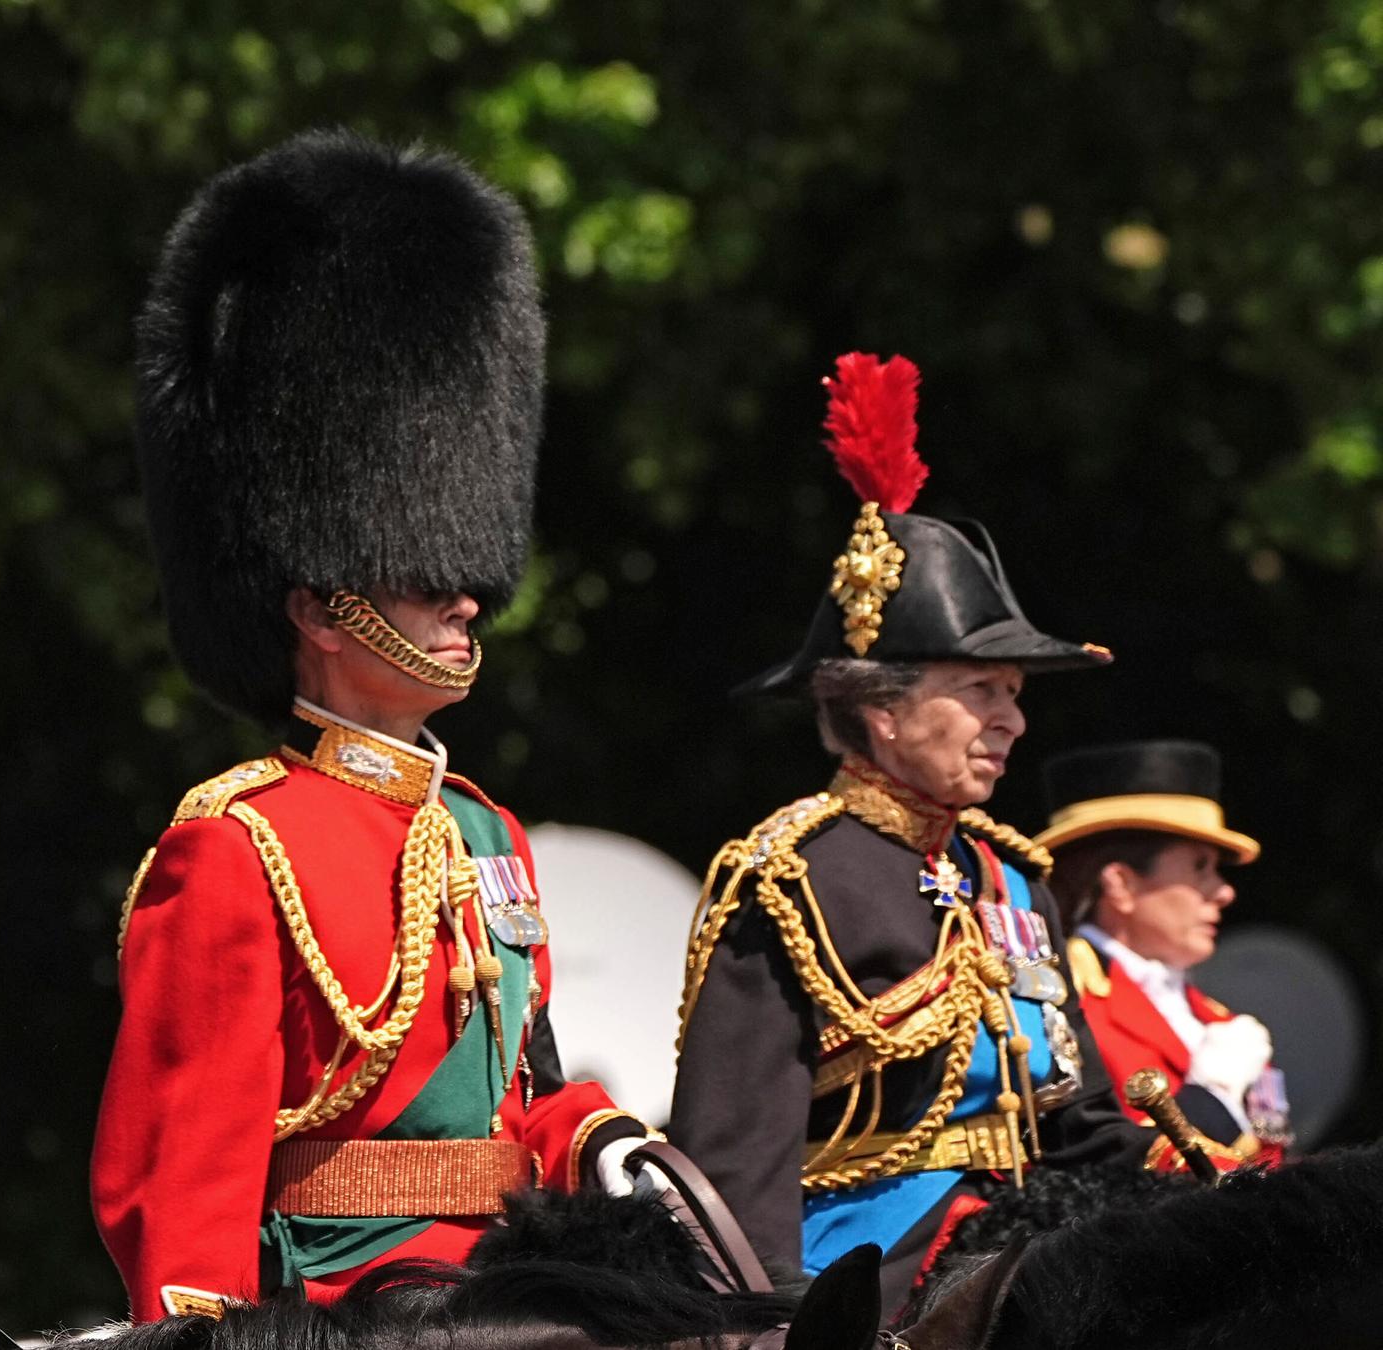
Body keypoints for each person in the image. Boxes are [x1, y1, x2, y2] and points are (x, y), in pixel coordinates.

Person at [90, 130, 654, 1324]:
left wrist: (599, 1138)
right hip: (342, 1310)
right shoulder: (240, 844)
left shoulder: (486, 834)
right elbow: (182, 1174)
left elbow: (523, 1097)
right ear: (321, 607)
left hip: (510, 1291)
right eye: (419, 572)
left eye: (467, 573)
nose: (465, 600)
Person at [669, 353, 1148, 1302]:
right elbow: (733, 1159)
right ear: (881, 712)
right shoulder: (791, 878)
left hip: (1029, 1251)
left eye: (1014, 694)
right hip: (863, 1278)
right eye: (980, 692)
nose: (1010, 720)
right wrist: (770, 1328)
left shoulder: (1013, 881)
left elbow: (1086, 1124)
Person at [1039, 740, 1289, 1166]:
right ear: (1121, 884)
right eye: (1199, 867)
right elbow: (1108, 1171)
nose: (1225, 891)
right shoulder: (1064, 1000)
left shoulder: (1217, 1018)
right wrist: (1213, 1096)